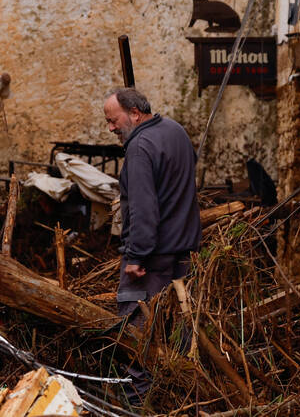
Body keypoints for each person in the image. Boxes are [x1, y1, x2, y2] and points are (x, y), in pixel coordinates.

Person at [102, 88, 201, 403]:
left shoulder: (140, 146)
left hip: (151, 259)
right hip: (183, 257)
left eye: (112, 120)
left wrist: (136, 256)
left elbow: (144, 207)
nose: (111, 128)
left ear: (133, 113)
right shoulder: (176, 132)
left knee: (135, 336)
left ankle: (139, 406)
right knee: (178, 333)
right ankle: (181, 401)